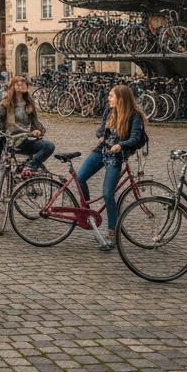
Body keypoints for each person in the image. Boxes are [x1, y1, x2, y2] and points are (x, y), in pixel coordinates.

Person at [75, 84, 146, 250]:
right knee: (80, 178)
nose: (109, 98)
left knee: (108, 195)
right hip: (101, 152)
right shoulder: (109, 112)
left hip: (115, 157)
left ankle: (112, 233)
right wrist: (101, 135)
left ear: (121, 98)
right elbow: (100, 130)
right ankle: (86, 212)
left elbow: (135, 138)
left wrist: (121, 145)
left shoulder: (134, 116)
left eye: (111, 96)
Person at [0, 74, 55, 175]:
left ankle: (30, 167)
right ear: (12, 87)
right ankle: (27, 168)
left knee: (49, 146)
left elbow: (35, 122)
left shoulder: (29, 103)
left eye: (23, 84)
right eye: (18, 84)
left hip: (25, 139)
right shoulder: (6, 103)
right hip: (12, 141)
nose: (21, 85)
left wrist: (37, 130)